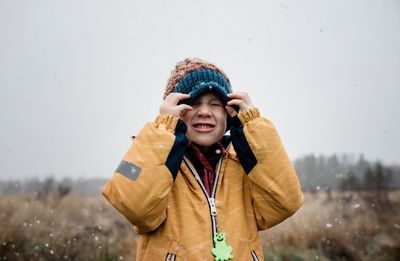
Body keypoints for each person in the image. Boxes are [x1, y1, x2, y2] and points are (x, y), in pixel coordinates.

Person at [102, 58, 304, 260]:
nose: (205, 112)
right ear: (174, 111)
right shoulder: (154, 158)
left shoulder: (244, 164)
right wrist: (164, 128)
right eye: (193, 103)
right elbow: (134, 206)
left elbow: (286, 202)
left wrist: (252, 126)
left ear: (230, 113)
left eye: (216, 104)